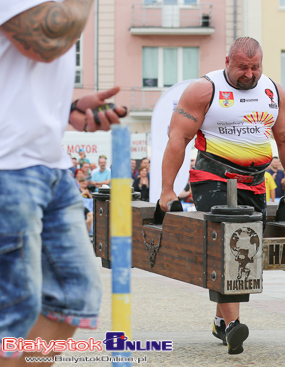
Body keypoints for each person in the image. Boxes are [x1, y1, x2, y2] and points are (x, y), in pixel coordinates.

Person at [158, 37, 285, 355]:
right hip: (213, 177)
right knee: (230, 245)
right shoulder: (203, 89)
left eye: (255, 67)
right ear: (227, 61)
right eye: (242, 68)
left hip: (254, 182)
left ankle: (220, 321)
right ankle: (235, 326)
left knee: (248, 256)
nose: (249, 74)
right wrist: (167, 189)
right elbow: (178, 138)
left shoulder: (273, 91)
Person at [0, 1, 126, 364]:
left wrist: (65, 109)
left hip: (49, 167)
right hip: (9, 169)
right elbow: (45, 39)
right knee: (13, 317)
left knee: (74, 297)